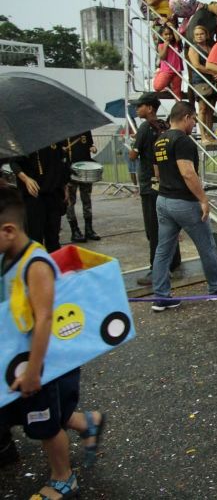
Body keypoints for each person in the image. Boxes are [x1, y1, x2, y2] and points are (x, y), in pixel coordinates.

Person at [0, 185, 105, 499]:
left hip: (44, 362)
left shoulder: (36, 264)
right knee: (37, 413)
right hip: (22, 356)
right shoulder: (9, 256)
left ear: (8, 230)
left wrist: (34, 371)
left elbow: (44, 318)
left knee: (45, 423)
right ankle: (88, 422)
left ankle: (63, 476)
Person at [150, 102, 217, 311]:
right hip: (184, 202)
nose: (194, 125)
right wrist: (203, 199)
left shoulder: (160, 140)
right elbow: (188, 173)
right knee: (206, 244)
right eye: (194, 121)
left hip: (163, 200)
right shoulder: (183, 141)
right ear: (186, 117)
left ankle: (161, 296)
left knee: (163, 250)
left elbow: (157, 173)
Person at [128, 92, 182, 286]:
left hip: (149, 184)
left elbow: (133, 155)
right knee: (169, 225)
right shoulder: (164, 126)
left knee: (153, 229)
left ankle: (156, 269)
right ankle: (174, 262)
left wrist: (132, 147)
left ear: (149, 108)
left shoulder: (144, 128)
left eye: (140, 106)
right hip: (165, 183)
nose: (137, 109)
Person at [10, 143, 68, 253]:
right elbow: (14, 162)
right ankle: (36, 266)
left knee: (54, 238)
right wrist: (26, 179)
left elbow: (62, 163)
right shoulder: (26, 138)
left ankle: (53, 267)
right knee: (35, 238)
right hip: (34, 196)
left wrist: (65, 186)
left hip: (54, 194)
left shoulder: (55, 137)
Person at [62, 131, 100, 243]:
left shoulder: (85, 130)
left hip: (85, 170)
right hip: (70, 171)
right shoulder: (63, 132)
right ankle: (75, 231)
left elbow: (89, 145)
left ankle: (89, 229)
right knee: (70, 202)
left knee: (87, 200)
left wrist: (93, 148)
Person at [186, 25, 217, 144]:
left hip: (212, 81)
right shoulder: (193, 48)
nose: (199, 36)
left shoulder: (211, 48)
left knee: (211, 109)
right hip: (200, 81)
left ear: (206, 35)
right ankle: (203, 136)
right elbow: (197, 65)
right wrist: (213, 71)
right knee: (203, 108)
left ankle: (209, 134)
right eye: (197, 34)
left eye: (201, 34)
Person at [153, 25, 183, 98]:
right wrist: (166, 46)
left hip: (177, 71)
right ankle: (158, 75)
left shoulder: (176, 44)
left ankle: (179, 106)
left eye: (170, 34)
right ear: (161, 35)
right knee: (157, 87)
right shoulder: (161, 45)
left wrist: (170, 25)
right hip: (166, 71)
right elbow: (162, 57)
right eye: (166, 34)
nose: (168, 36)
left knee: (177, 93)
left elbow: (178, 39)